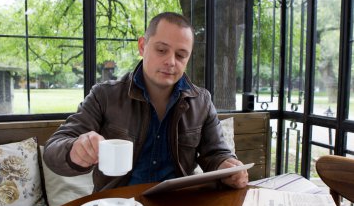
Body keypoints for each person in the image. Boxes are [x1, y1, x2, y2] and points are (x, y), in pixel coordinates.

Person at [43, 12, 248, 192]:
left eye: (181, 55)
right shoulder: (104, 95)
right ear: (142, 46)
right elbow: (54, 150)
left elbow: (216, 154)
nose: (170, 61)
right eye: (161, 50)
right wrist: (75, 150)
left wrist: (227, 167)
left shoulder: (201, 101)